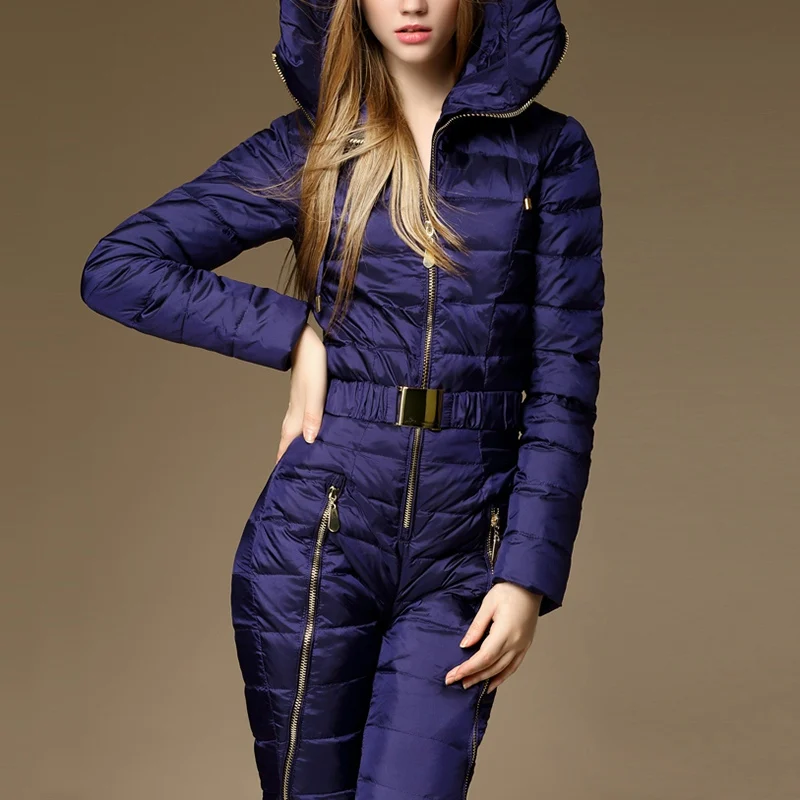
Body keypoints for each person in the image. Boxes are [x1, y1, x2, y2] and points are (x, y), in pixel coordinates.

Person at [80, 0, 604, 796]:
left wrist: (526, 573)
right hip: (315, 545)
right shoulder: (312, 146)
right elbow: (119, 268)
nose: (412, 4)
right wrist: (297, 335)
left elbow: (564, 382)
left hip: (464, 554)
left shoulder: (549, 151)